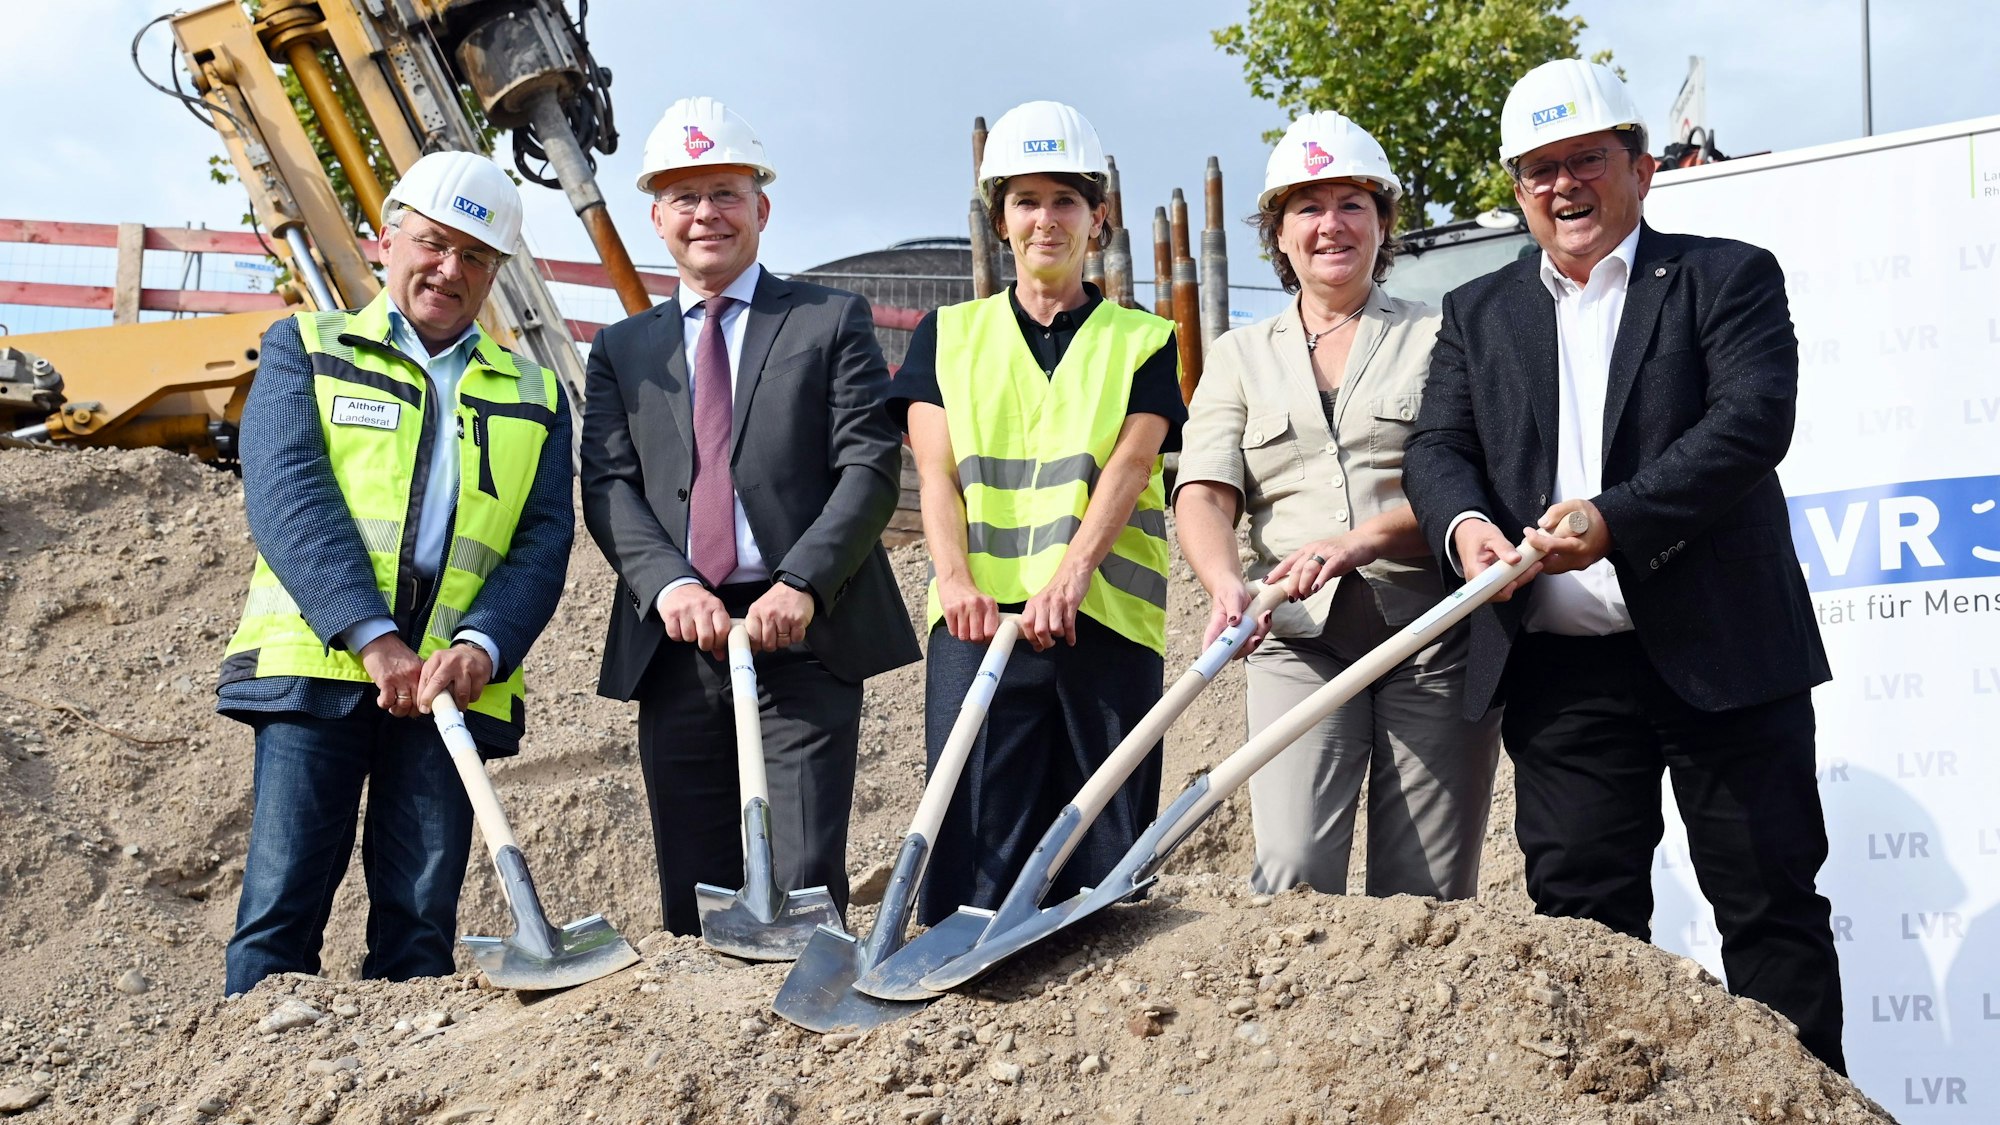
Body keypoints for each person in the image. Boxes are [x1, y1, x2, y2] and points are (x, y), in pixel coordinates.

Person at [1402, 59, 1844, 1071]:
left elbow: (1748, 423)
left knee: (1769, 910)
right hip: (1563, 675)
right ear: (1517, 189)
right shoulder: (1476, 312)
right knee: (1581, 929)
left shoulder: (1726, 278)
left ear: (1640, 168)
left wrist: (1613, 521)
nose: (1563, 185)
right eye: (1539, 168)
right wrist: (1465, 529)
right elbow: (1436, 447)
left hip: (1726, 656)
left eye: (1586, 160)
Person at [218, 151, 574, 993]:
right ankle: (255, 1061)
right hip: (321, 663)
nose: (450, 269)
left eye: (475, 256)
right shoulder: (307, 347)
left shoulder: (536, 393)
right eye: (433, 243)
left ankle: (405, 1065)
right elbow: (289, 494)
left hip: (452, 681)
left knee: (420, 924)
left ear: (496, 271)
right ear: (388, 240)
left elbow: (543, 540)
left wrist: (482, 647)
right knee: (280, 907)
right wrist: (372, 637)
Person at [580, 96, 918, 937]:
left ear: (761, 208)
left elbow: (869, 466)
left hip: (803, 632)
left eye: (726, 193)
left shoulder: (826, 320)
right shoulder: (622, 351)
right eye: (685, 197)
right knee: (693, 894)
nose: (707, 214)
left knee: (801, 888)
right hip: (677, 643)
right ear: (657, 217)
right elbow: (609, 485)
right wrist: (669, 586)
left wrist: (802, 581)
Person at [1174, 112, 1501, 901]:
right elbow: (1206, 491)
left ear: (1383, 223)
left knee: (1426, 892)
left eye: (1352, 204)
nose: (1331, 225)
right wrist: (1226, 583)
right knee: (1290, 874)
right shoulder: (1239, 356)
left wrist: (1362, 541)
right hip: (1299, 641)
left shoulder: (1440, 335)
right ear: (1280, 234)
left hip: (1432, 637)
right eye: (1308, 208)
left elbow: (1466, 481)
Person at [886, 101, 1187, 925]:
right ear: (1000, 220)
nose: (1045, 219)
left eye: (1065, 201)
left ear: (1098, 217)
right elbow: (936, 473)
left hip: (1105, 620)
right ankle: (964, 982)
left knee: (1102, 856)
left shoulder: (1143, 340)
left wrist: (1072, 577)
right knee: (972, 847)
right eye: (1026, 201)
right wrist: (954, 580)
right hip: (977, 623)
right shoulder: (947, 336)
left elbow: (1131, 466)